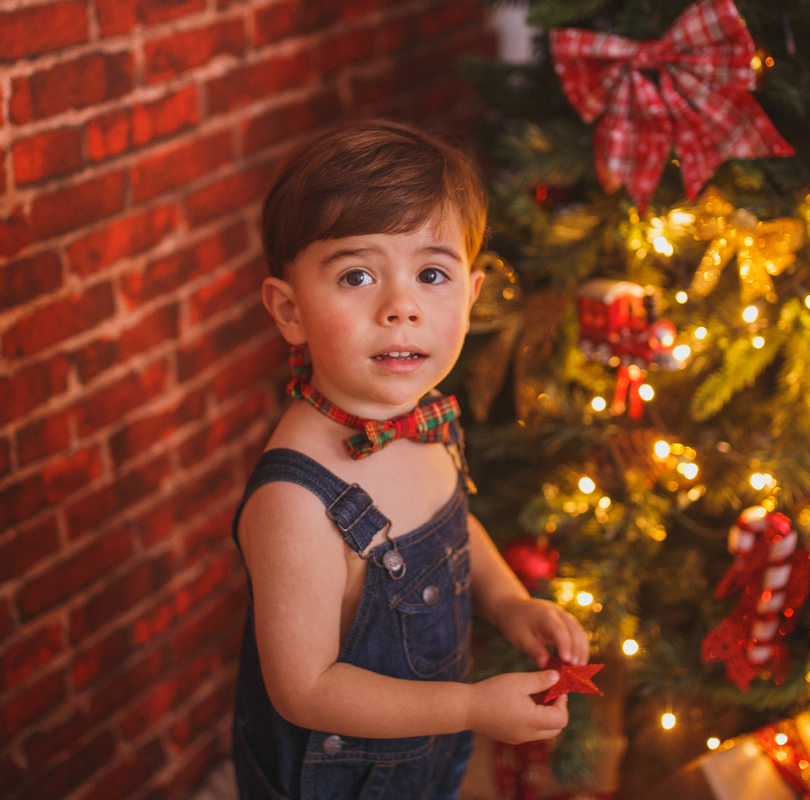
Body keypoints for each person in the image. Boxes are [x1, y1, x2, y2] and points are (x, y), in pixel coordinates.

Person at [230, 119, 590, 800]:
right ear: (289, 310)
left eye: (431, 273)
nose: (402, 308)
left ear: (472, 296)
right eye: (357, 275)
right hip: (334, 781)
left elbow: (450, 526)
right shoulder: (295, 502)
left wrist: (510, 602)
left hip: (423, 757)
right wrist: (470, 708)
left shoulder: (425, 420)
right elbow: (304, 690)